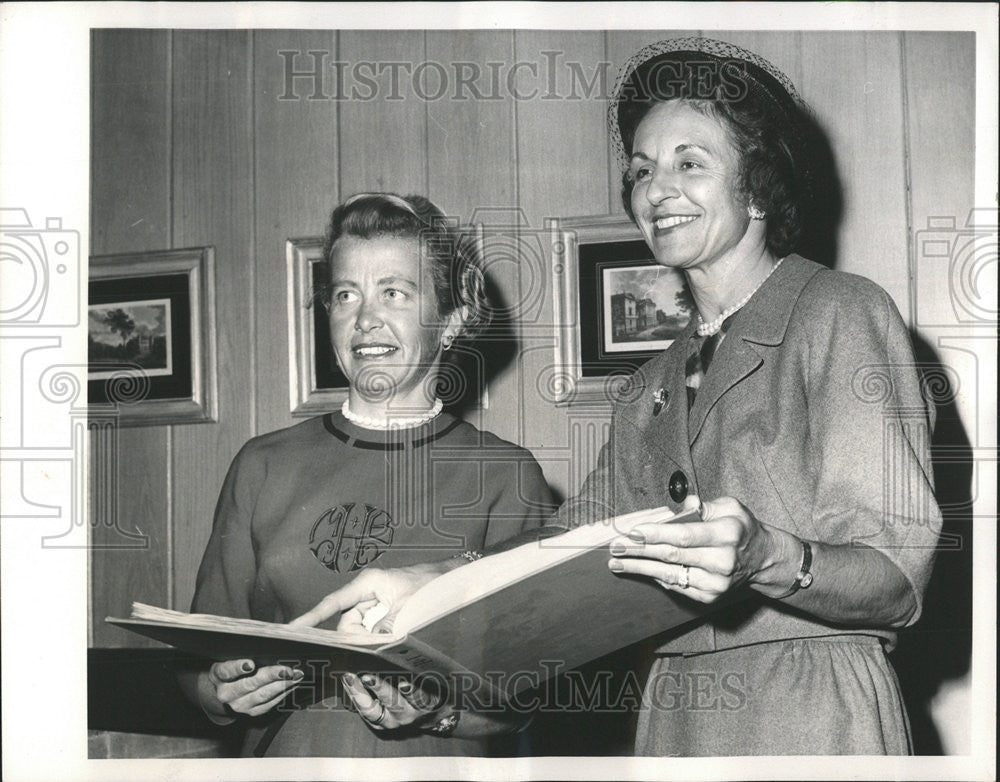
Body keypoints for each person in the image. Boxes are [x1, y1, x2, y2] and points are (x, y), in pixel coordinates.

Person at [294, 39, 943, 756]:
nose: (655, 190)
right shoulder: (647, 386)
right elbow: (564, 548)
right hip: (669, 712)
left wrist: (768, 556)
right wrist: (427, 581)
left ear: (758, 186)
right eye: (641, 171)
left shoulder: (838, 311)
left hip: (815, 709)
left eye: (688, 163)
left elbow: (895, 580)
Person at [179, 192, 554, 757]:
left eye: (394, 293)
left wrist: (441, 712)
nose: (365, 318)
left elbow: (537, 692)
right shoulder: (261, 464)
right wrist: (218, 690)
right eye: (345, 294)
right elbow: (196, 656)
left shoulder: (506, 474)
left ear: (451, 320)